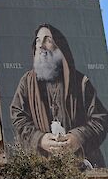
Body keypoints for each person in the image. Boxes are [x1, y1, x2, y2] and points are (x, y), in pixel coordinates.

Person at [10, 23, 108, 167]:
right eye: (38, 40)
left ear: (60, 48)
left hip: (82, 166)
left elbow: (100, 120)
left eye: (48, 40)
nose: (41, 46)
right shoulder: (27, 82)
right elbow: (18, 117)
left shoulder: (81, 82)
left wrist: (78, 137)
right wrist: (39, 139)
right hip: (42, 168)